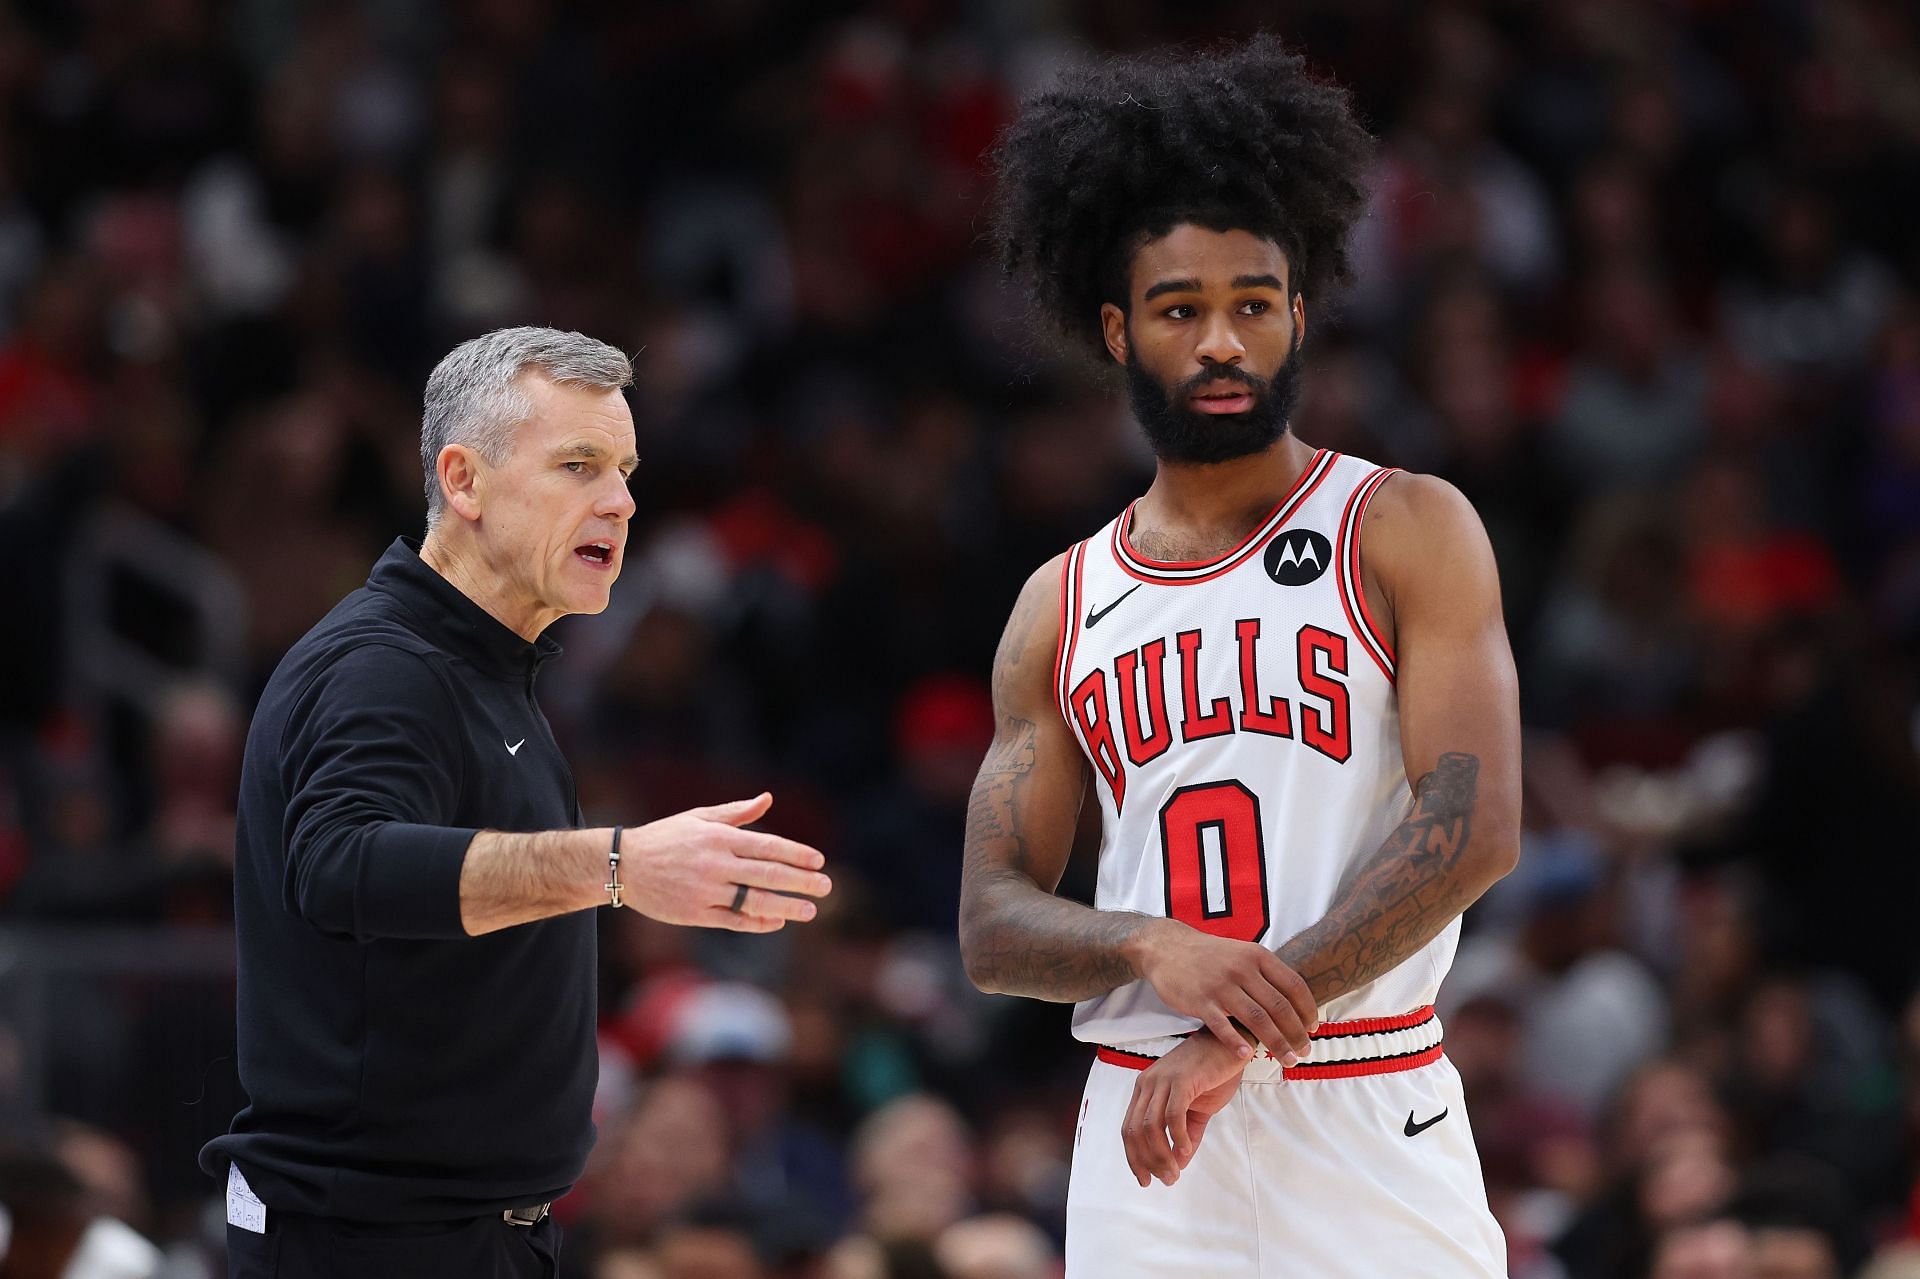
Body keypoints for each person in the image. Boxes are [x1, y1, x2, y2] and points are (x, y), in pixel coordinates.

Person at [959, 38, 1520, 1276]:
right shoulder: (1062, 603)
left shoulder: (1403, 525)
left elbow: (1471, 829)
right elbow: (992, 925)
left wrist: (1245, 1034)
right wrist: (1145, 943)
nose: (1222, 341)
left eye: (1252, 305)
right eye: (1180, 309)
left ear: (1298, 315)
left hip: (1365, 1100)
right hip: (1146, 1127)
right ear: (1116, 330)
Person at [199, 327, 833, 1278]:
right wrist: (616, 865)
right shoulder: (385, 667)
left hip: (472, 1235)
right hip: (366, 1243)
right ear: (464, 480)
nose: (619, 501)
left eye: (624, 469)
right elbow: (339, 866)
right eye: (578, 464)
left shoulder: (490, 672)